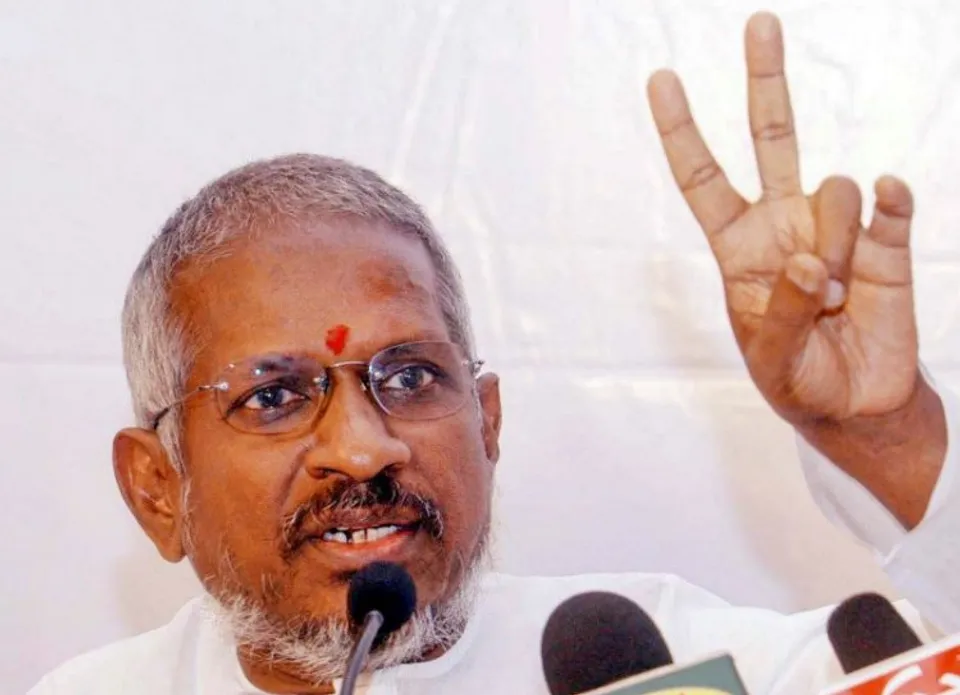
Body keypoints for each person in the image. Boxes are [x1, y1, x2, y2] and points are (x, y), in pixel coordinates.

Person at [28, 11, 960, 695]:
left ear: (488, 422)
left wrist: (888, 441)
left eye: (409, 377)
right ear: (159, 488)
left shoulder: (683, 669)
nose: (362, 447)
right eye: (274, 396)